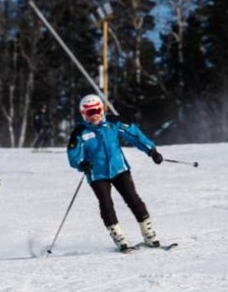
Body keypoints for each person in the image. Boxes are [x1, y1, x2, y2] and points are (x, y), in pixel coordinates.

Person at [66, 93, 165, 251]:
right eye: (89, 113)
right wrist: (81, 164)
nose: (95, 116)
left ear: (102, 109)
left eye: (97, 110)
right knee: (106, 204)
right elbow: (73, 155)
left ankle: (149, 234)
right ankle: (119, 238)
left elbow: (135, 136)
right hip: (97, 174)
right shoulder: (80, 132)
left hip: (119, 169)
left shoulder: (113, 123)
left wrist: (151, 151)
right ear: (83, 114)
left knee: (133, 200)